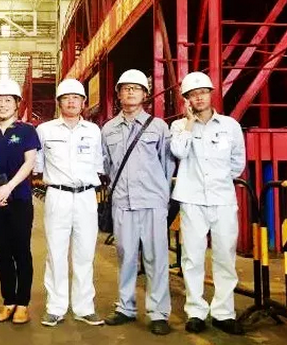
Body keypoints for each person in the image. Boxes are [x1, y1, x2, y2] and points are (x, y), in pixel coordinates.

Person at [170, 71, 246, 335]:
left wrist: (220, 181)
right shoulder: (179, 127)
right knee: (192, 257)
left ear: (211, 94)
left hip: (222, 199)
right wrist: (190, 123)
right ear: (186, 100)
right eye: (193, 95)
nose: (199, 98)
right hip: (192, 200)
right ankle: (196, 311)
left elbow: (237, 161)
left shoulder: (229, 126)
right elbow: (178, 152)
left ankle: (224, 312)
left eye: (203, 92)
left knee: (225, 255)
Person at [101, 69, 174, 335]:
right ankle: (125, 307)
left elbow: (167, 165)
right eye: (125, 88)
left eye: (136, 88)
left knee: (156, 258)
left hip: (153, 202)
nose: (130, 92)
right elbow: (107, 165)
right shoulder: (108, 129)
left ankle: (158, 313)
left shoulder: (158, 127)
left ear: (145, 94)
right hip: (123, 202)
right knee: (126, 256)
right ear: (119, 95)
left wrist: (161, 195)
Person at [34, 78, 105, 327]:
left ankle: (84, 308)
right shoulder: (45, 130)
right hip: (57, 195)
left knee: (85, 253)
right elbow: (38, 164)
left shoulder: (93, 131)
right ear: (59, 103)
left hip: (86, 196)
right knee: (56, 253)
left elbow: (98, 164)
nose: (71, 102)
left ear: (83, 102)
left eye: (76, 98)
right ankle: (55, 308)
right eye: (66, 98)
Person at [0, 78, 41, 325]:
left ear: (17, 104)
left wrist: (8, 187)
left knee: (21, 251)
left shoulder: (27, 131)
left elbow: (29, 163)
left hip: (19, 200)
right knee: (2, 253)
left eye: (8, 100)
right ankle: (8, 301)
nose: (3, 104)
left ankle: (23, 303)